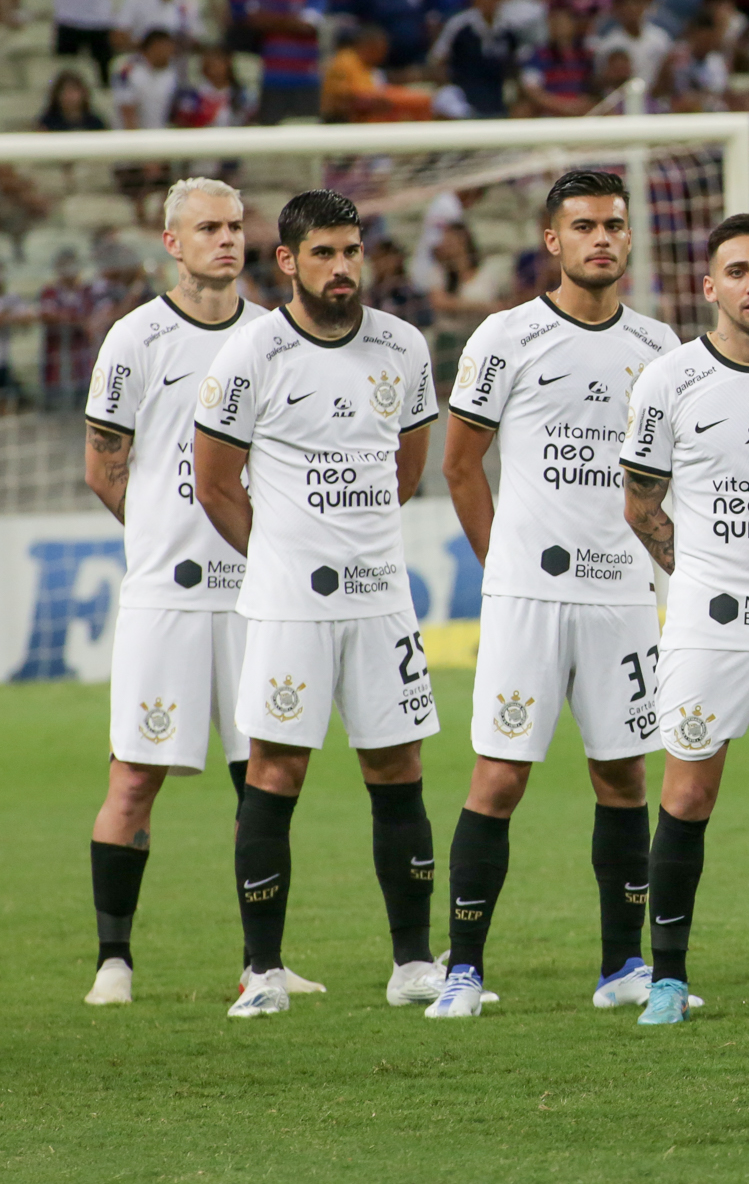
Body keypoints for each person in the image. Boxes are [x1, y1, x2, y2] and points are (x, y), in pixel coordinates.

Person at [424, 170, 680, 1018]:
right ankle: (462, 968)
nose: (601, 238)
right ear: (553, 241)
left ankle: (621, 968)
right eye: (584, 226)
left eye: (614, 224)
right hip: (527, 598)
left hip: (622, 597)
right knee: (498, 778)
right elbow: (461, 465)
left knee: (625, 779)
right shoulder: (505, 337)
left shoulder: (660, 347)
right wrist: (504, 568)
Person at [191, 189, 445, 1018]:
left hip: (381, 603)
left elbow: (406, 468)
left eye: (352, 251)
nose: (343, 268)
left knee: (397, 769)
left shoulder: (403, 348)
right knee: (275, 770)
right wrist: (281, 558)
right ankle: (262, 972)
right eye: (324, 254)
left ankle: (412, 965)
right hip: (288, 608)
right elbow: (214, 482)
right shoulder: (251, 356)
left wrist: (356, 545)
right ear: (288, 262)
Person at [78, 179, 284, 1007]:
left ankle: (261, 964)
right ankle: (113, 961)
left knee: (263, 779)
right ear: (173, 241)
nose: (226, 241)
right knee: (134, 778)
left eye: (236, 227)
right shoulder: (136, 339)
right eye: (208, 228)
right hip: (166, 593)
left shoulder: (275, 336)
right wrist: (161, 532)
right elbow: (103, 464)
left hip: (254, 595)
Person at [619, 212, 749, 1026]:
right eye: (738, 271)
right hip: (709, 621)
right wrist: (691, 576)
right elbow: (641, 501)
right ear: (710, 287)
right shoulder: (670, 380)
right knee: (688, 795)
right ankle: (667, 978)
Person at [243, 0, 327, 123]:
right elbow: (253, 21)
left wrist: (271, 19)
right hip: (272, 76)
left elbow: (308, 26)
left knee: (306, 129)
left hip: (305, 77)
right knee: (269, 131)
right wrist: (291, 20)